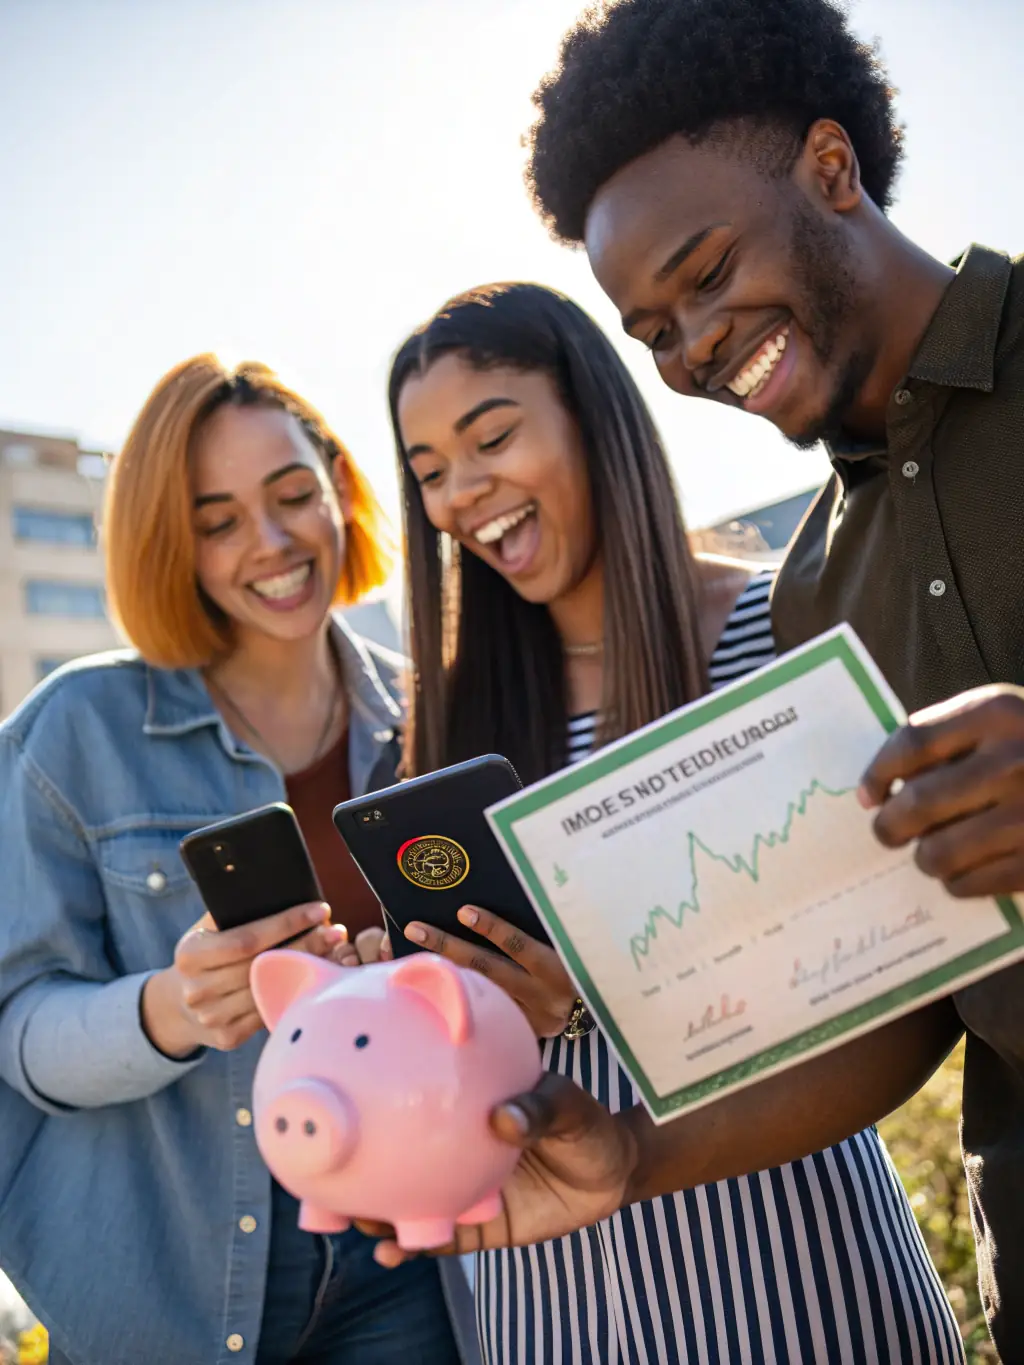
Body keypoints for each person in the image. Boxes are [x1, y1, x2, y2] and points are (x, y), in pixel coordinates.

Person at [366, 3, 1024, 1359]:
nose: (696, 347)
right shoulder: (821, 584)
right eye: (655, 326)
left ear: (832, 167)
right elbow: (902, 1000)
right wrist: (630, 1153)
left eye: (708, 272)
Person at [382, 282, 963, 1364]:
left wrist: (592, 997)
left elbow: (902, 970)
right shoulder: (438, 736)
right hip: (545, 1304)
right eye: (428, 474)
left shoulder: (783, 634)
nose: (464, 494)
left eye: (491, 437)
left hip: (795, 1281)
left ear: (591, 415)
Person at [0, 357, 478, 1365]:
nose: (270, 544)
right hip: (164, 1288)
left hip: (403, 1261)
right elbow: (20, 1034)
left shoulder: (434, 714)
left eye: (294, 496)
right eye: (216, 521)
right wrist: (171, 1010)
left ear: (340, 493)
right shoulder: (74, 734)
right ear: (172, 546)